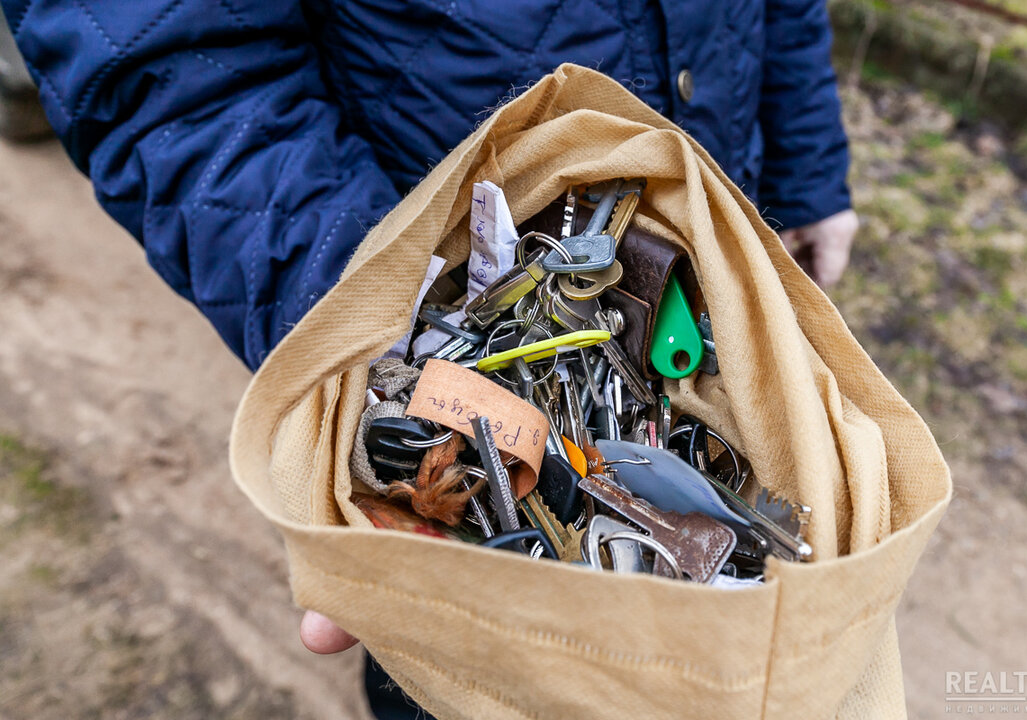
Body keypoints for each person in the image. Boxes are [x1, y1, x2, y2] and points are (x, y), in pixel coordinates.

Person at [1, 0, 857, 716]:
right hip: (427, 297)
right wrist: (379, 321)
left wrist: (810, 165)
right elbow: (175, 77)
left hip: (706, 270)